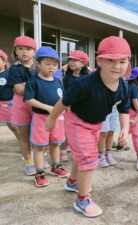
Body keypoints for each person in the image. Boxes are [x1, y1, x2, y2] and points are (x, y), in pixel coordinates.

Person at [45, 36, 131, 217]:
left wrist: (125, 127)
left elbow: (124, 107)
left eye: (122, 61)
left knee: (81, 156)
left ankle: (72, 182)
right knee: (89, 159)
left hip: (96, 124)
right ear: (99, 61)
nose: (117, 66)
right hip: (77, 122)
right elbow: (64, 101)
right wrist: (52, 118)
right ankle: (82, 200)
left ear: (128, 62)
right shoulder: (84, 84)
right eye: (111, 61)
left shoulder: (123, 85)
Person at [24, 46, 69, 187]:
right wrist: (48, 108)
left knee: (56, 143)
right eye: (47, 64)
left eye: (55, 64)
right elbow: (28, 99)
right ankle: (40, 172)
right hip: (40, 118)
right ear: (38, 64)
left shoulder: (58, 82)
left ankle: (56, 166)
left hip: (58, 119)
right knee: (39, 146)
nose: (52, 67)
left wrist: (65, 108)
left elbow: (63, 99)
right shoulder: (33, 81)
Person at [7, 36, 36, 175]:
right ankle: (28, 161)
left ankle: (38, 157)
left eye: (28, 49)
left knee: (39, 134)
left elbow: (54, 80)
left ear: (34, 52)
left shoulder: (39, 66)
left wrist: (27, 85)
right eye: (20, 49)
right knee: (24, 135)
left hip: (37, 104)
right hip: (21, 105)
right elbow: (18, 88)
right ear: (15, 51)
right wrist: (37, 86)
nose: (24, 52)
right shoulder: (14, 69)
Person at [60, 50, 90, 162]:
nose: (71, 62)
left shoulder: (88, 77)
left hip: (83, 109)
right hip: (69, 108)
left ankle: (79, 150)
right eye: (70, 60)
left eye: (75, 60)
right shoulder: (67, 78)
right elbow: (65, 93)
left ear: (83, 63)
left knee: (81, 131)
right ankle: (63, 151)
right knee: (66, 131)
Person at [0, 49, 19, 139]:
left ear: (4, 62)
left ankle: (23, 142)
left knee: (13, 126)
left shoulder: (9, 73)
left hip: (7, 103)